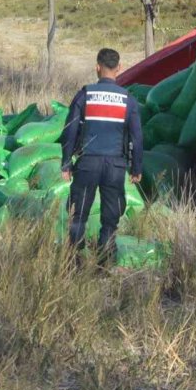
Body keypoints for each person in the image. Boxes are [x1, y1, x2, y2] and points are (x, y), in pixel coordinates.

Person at [61, 48, 144, 265]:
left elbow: (70, 131)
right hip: (115, 167)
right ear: (119, 68)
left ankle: (74, 264)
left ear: (97, 67)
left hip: (87, 164)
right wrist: (136, 169)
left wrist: (66, 163)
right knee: (110, 220)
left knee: (77, 215)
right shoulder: (128, 100)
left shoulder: (85, 95)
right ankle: (105, 263)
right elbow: (137, 137)